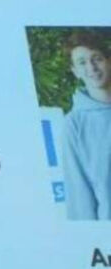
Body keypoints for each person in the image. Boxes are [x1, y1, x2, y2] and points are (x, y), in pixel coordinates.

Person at [64, 30, 111, 220]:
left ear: (108, 61)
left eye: (96, 58)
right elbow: (79, 190)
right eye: (82, 62)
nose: (91, 67)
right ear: (75, 71)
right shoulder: (74, 123)